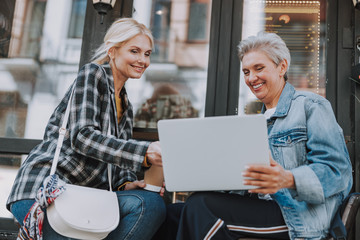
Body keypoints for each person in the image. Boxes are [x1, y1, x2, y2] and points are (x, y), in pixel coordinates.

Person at [156, 31, 353, 240]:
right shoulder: (253, 124)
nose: (252, 78)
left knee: (200, 207)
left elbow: (338, 172)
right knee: (170, 214)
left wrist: (288, 179)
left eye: (259, 68)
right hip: (261, 208)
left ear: (282, 67)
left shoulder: (311, 106)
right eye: (246, 71)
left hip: (298, 216)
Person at [7, 18, 166, 240]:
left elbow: (116, 163)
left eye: (147, 54)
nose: (142, 60)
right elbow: (82, 137)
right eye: (134, 51)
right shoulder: (93, 74)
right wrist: (144, 152)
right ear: (113, 51)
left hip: (88, 198)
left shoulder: (126, 106)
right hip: (47, 191)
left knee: (150, 204)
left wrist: (129, 184)